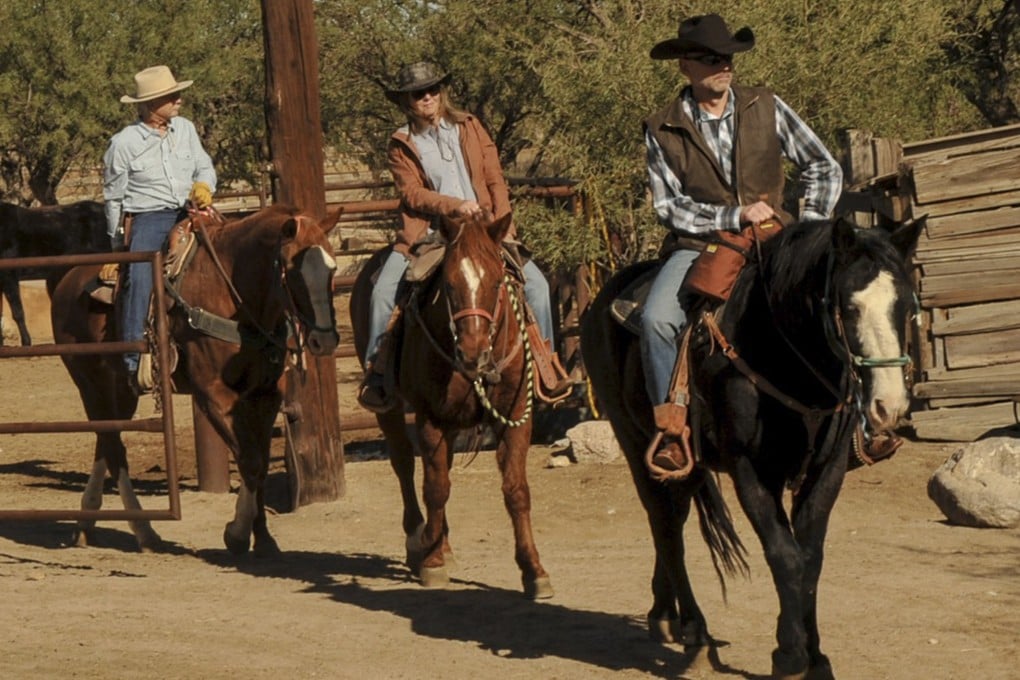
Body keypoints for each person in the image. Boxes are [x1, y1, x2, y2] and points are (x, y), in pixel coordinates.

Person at [642, 14, 843, 467]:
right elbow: (667, 206)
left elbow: (823, 165)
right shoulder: (661, 128)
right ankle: (672, 429)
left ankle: (857, 419)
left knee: (841, 298)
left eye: (728, 57)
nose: (724, 66)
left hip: (775, 237)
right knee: (657, 320)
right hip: (700, 245)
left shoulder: (765, 105)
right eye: (711, 58)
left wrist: (810, 227)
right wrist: (732, 214)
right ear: (685, 67)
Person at [358, 61, 572, 413]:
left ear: (441, 93)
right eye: (418, 93)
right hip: (430, 233)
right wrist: (454, 206)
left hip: (485, 230)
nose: (427, 97)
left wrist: (504, 224)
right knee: (383, 292)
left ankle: (544, 366)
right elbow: (412, 194)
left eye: (432, 90)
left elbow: (494, 178)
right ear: (406, 101)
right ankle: (378, 375)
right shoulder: (401, 144)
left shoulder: (470, 127)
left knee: (535, 284)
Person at [103, 65, 216, 387]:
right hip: (149, 217)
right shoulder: (123, 143)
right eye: (171, 96)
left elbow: (203, 165)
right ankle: (133, 355)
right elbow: (114, 197)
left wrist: (205, 185)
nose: (179, 99)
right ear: (152, 104)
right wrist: (116, 244)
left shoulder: (186, 129)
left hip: (190, 210)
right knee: (139, 276)